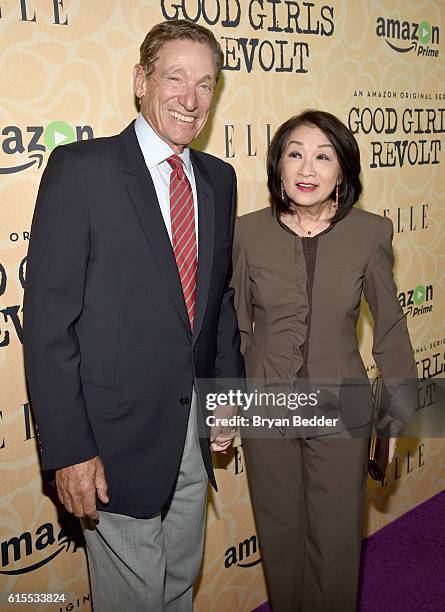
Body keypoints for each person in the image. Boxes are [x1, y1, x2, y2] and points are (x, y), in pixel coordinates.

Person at [23, 19, 244, 612]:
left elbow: (218, 304)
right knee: (132, 600)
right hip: (110, 440)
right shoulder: (81, 170)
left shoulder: (220, 181)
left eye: (206, 84)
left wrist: (226, 399)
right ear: (141, 81)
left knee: (178, 584)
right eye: (175, 77)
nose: (191, 99)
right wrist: (68, 449)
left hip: (193, 432)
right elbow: (48, 327)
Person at [231, 110, 417, 612]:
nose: (306, 168)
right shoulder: (247, 233)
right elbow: (233, 328)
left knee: (336, 542)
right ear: (279, 165)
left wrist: (395, 411)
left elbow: (391, 327)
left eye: (322, 155)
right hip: (265, 408)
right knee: (279, 534)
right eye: (295, 153)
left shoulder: (369, 233)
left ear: (342, 170)